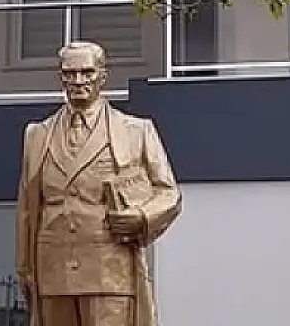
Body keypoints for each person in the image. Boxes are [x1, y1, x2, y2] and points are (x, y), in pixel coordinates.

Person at [15, 41, 181, 326]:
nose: (78, 80)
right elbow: (27, 209)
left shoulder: (136, 131)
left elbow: (169, 194)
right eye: (70, 73)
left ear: (102, 76)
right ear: (61, 77)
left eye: (87, 72)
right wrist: (24, 266)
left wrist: (141, 217)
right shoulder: (37, 135)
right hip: (53, 271)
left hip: (109, 269)